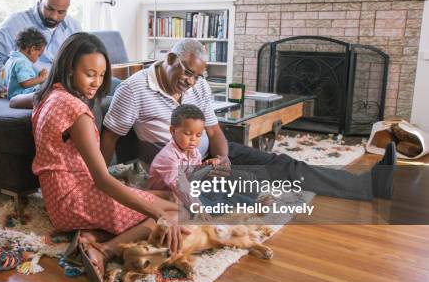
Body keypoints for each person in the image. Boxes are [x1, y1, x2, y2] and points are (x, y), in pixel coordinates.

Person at [102, 38, 396, 201]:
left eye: (197, 76)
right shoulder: (134, 89)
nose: (191, 82)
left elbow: (215, 132)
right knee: (256, 183)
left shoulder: (199, 86)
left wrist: (225, 158)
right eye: (187, 72)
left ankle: (371, 185)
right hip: (182, 169)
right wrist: (98, 179)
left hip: (209, 155)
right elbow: (110, 138)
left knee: (285, 165)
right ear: (168, 60)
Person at [31, 32, 188, 282]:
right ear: (70, 69)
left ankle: (91, 235)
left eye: (102, 75)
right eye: (89, 73)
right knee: (176, 212)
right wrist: (159, 215)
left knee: (168, 196)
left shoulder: (45, 96)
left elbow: (16, 99)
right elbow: (103, 180)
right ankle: (105, 250)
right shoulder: (76, 112)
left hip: (55, 198)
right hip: (75, 199)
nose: (96, 82)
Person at [0, 0, 81, 92]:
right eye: (50, 9)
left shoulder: (74, 27)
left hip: (65, 90)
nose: (54, 16)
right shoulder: (15, 22)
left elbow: (81, 61)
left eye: (61, 12)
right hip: (30, 92)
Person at [147, 104, 222, 212]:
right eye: (187, 134)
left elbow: (193, 175)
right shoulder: (168, 157)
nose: (193, 139)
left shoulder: (194, 152)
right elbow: (180, 186)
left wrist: (206, 165)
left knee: (223, 196)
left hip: (183, 192)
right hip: (164, 196)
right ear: (172, 131)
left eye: (198, 135)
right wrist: (198, 207)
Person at [0, 27, 47, 100]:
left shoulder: (10, 61)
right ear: (32, 49)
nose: (38, 58)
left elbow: (5, 82)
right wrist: (41, 78)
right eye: (38, 55)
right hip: (23, 97)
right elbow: (25, 83)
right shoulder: (22, 62)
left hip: (14, 96)